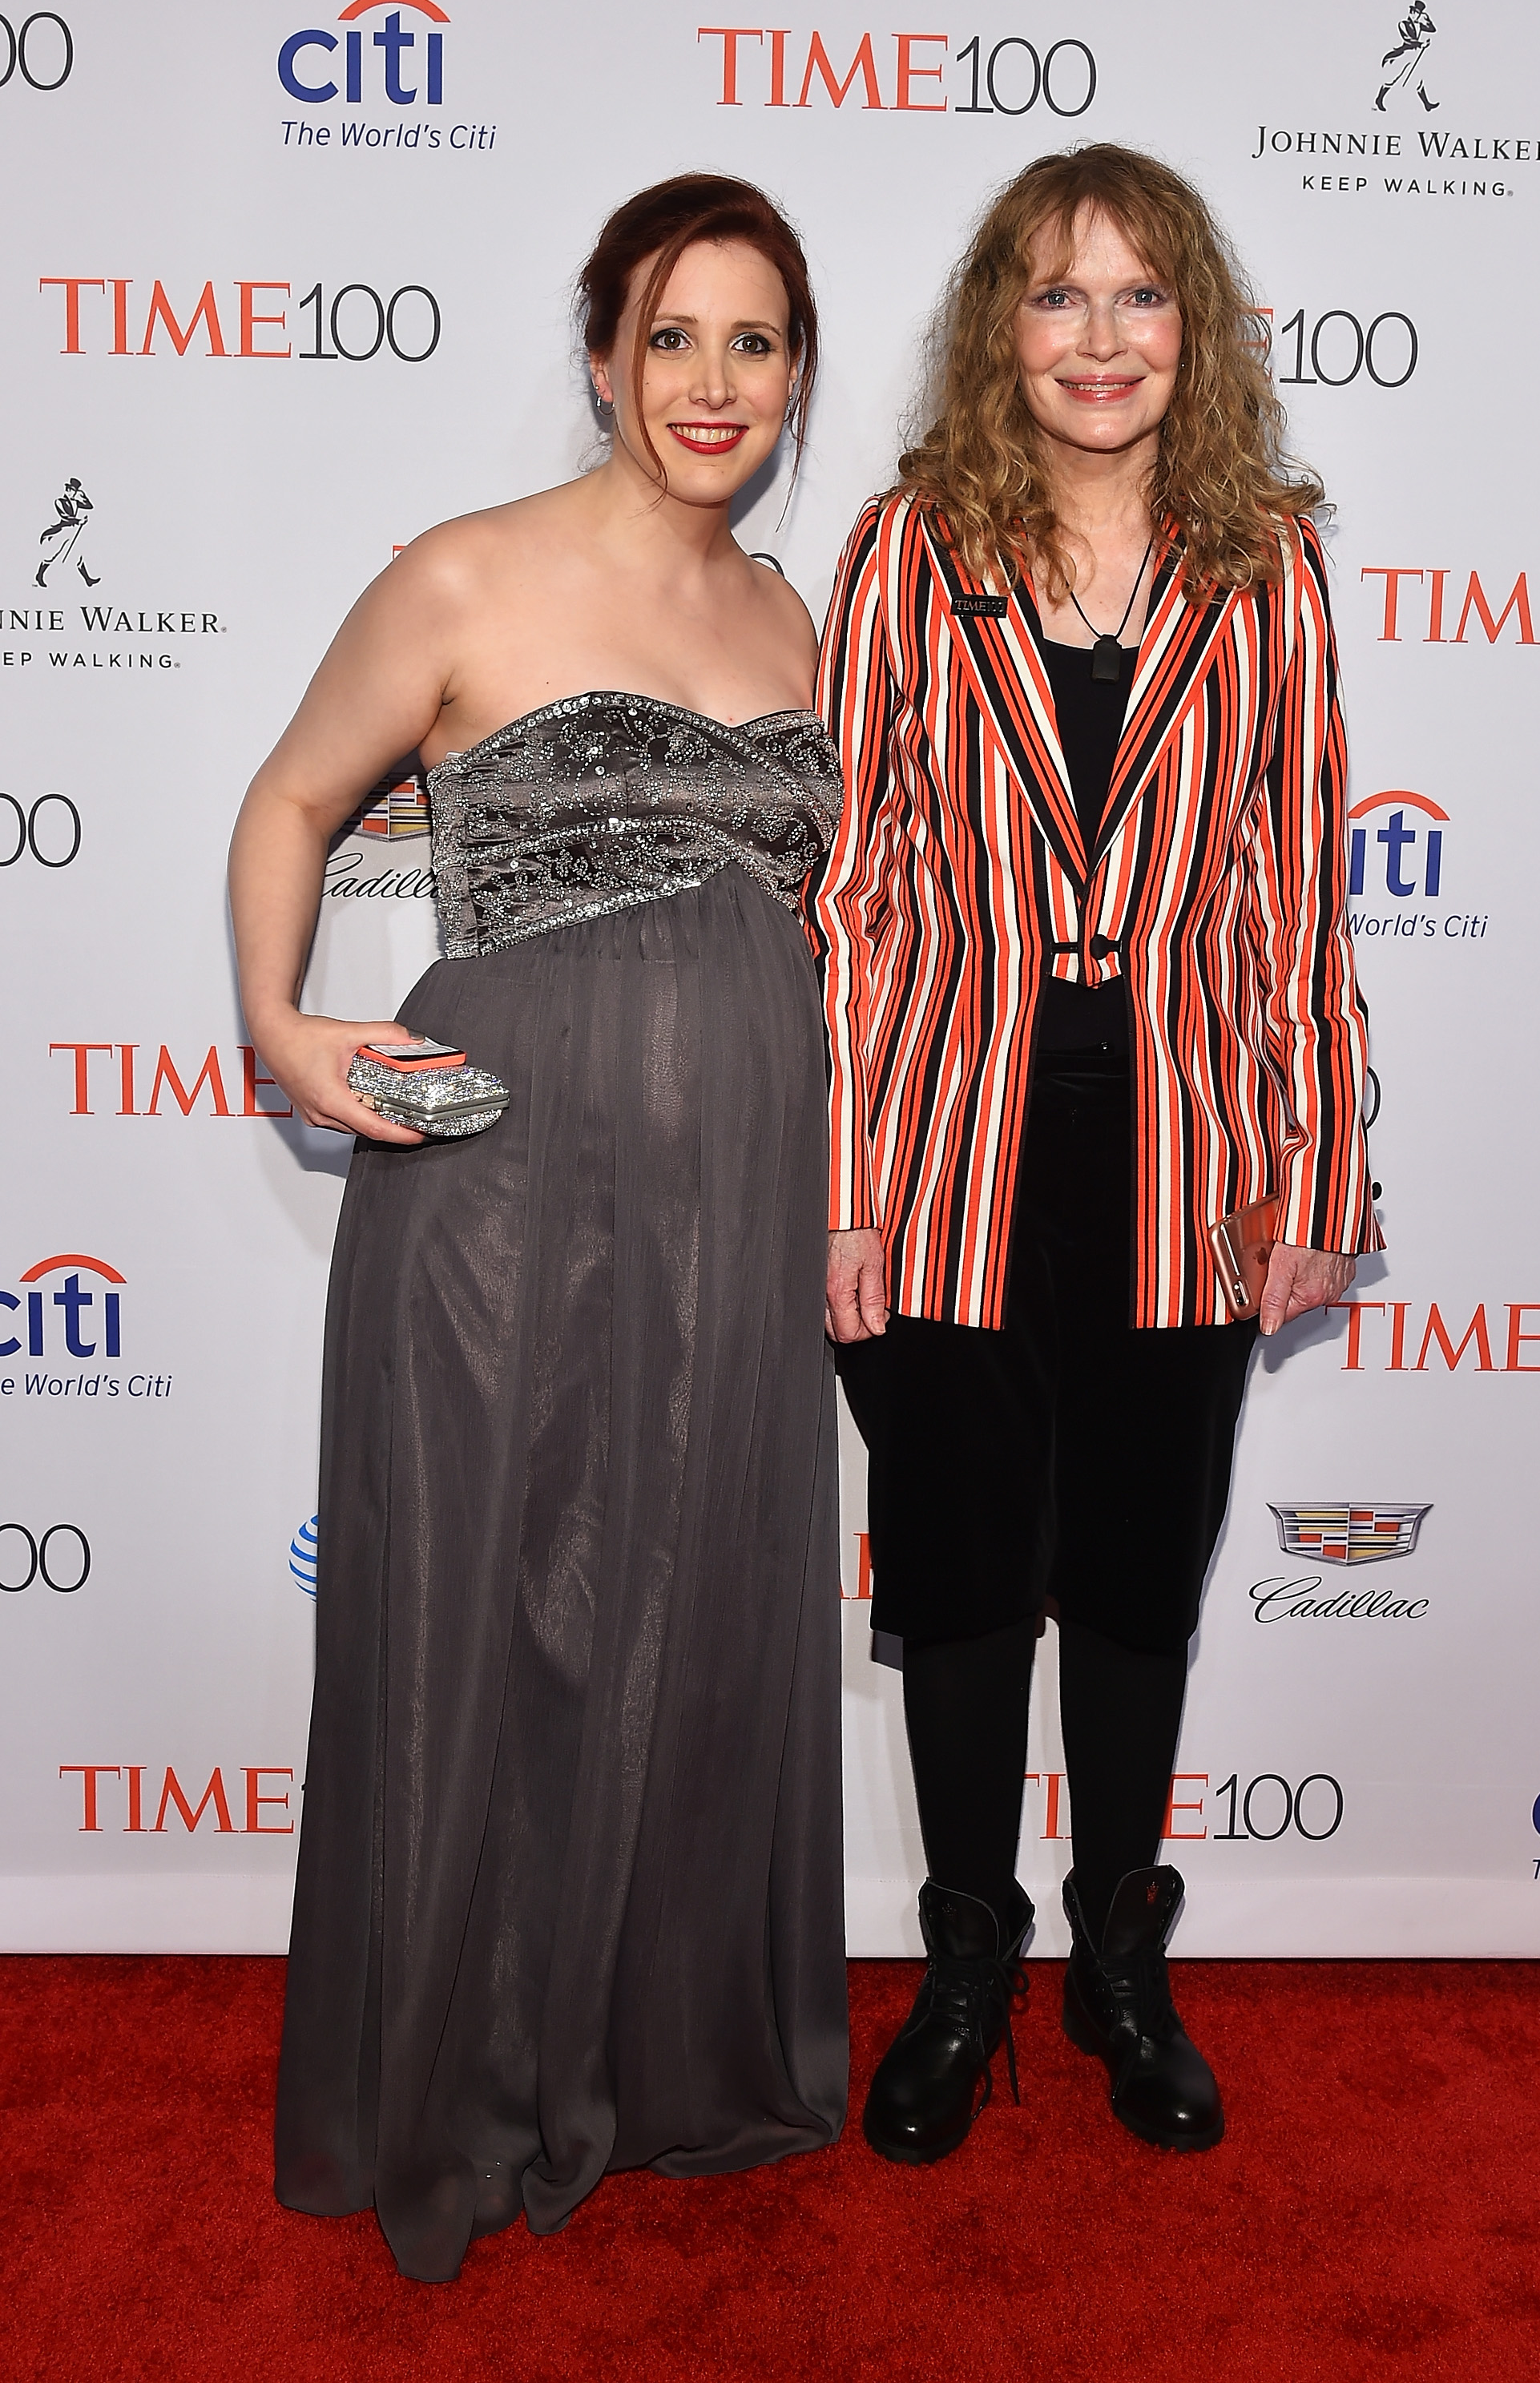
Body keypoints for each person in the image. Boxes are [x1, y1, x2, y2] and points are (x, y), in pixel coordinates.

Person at [229, 173, 848, 2282]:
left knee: (691, 1611)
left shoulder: (800, 620)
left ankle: (658, 2062)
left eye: (753, 341)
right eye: (670, 335)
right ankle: (464, 2079)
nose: (710, 382)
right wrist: (280, 1025)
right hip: (496, 1196)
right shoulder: (464, 572)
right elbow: (291, 800)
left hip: (740, 1208)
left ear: (795, 377)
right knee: (487, 1620)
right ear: (599, 356)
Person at [809, 145, 1376, 2167]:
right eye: (1060, 295)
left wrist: (1316, 1165)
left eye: (1142, 296)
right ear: (1003, 327)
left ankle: (1121, 1971)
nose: (1103, 338)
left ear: (1193, 329)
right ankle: (966, 1972)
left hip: (1183, 1153)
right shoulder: (906, 548)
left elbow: (1299, 889)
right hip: (948, 1149)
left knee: (1137, 1580)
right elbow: (855, 886)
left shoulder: (1266, 562)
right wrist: (847, 1182)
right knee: (965, 1581)